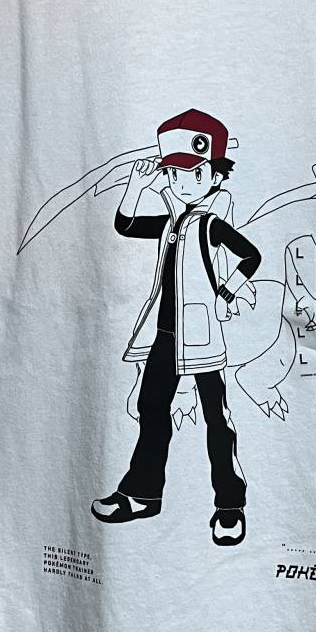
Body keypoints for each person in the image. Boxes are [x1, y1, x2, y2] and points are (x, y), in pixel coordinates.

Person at [91, 109, 261, 546]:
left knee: (216, 419)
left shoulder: (210, 224)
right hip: (164, 336)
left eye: (194, 173)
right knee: (151, 410)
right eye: (173, 174)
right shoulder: (170, 222)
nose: (181, 183)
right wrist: (136, 186)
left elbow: (251, 256)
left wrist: (226, 291)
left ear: (215, 175)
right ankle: (142, 493)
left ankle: (230, 505)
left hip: (201, 336)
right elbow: (126, 225)